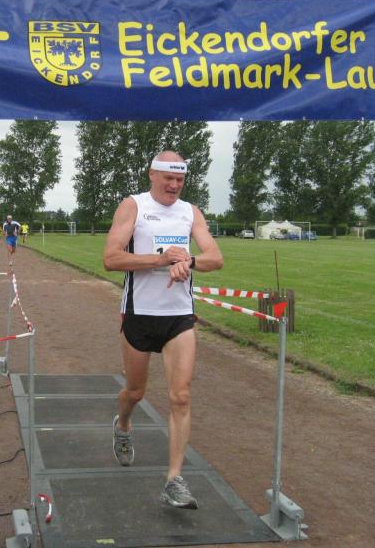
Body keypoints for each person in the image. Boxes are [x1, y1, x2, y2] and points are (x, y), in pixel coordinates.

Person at [103, 151, 223, 509]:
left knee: (180, 396)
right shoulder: (133, 206)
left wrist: (189, 260)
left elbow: (215, 257)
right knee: (135, 392)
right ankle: (123, 425)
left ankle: (174, 479)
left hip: (178, 316)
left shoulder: (190, 212)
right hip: (139, 314)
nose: (174, 185)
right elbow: (111, 258)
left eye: (180, 180)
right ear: (152, 175)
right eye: (168, 178)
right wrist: (160, 259)